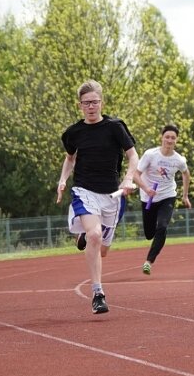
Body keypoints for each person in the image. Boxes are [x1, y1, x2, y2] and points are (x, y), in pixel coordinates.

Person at [56, 80, 138, 314]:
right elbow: (70, 159)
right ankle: (98, 293)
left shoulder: (115, 127)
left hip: (112, 195)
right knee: (94, 236)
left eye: (94, 102)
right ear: (80, 105)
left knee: (102, 249)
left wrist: (128, 178)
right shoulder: (74, 133)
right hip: (84, 190)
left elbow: (133, 156)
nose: (91, 106)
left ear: (101, 102)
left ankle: (84, 233)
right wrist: (63, 180)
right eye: (86, 103)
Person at [134, 125, 191, 275]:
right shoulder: (150, 155)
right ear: (162, 137)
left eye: (173, 138)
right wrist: (146, 189)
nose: (170, 140)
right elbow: (136, 175)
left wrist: (185, 195)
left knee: (163, 226)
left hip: (167, 196)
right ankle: (152, 245)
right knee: (149, 234)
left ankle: (149, 262)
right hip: (148, 198)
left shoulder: (178, 159)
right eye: (167, 137)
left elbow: (186, 174)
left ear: (176, 140)